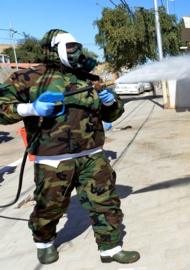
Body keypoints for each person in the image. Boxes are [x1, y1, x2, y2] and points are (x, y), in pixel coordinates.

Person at [0, 29, 139, 264]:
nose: (76, 51)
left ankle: (111, 249)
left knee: (105, 202)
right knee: (50, 206)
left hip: (92, 155)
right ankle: (44, 243)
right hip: (53, 158)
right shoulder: (28, 78)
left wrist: (111, 101)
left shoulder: (89, 78)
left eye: (77, 46)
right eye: (70, 47)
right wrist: (30, 108)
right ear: (53, 50)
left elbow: (113, 114)